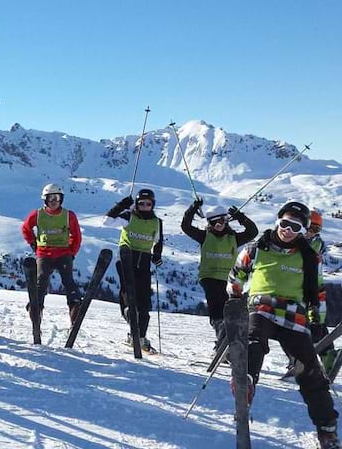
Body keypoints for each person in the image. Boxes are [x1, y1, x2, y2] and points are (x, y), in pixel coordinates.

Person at [227, 201, 339, 448]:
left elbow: (318, 291)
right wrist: (235, 297)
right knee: (254, 339)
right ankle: (245, 381)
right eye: (284, 223)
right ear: (277, 221)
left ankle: (327, 428)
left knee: (309, 370)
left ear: (303, 231)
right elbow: (237, 273)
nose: (288, 230)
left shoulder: (310, 257)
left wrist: (318, 322)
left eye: (296, 227)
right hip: (261, 307)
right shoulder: (256, 248)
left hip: (294, 315)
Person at [181, 201, 258, 352]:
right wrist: (193, 209)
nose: (218, 224)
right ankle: (221, 334)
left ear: (226, 221)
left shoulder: (233, 238)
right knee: (215, 303)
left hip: (228, 279)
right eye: (214, 222)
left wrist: (241, 217)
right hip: (208, 276)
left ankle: (225, 339)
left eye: (221, 221)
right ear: (209, 223)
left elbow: (252, 232)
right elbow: (186, 227)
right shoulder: (204, 236)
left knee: (227, 307)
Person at [106, 188, 163, 352]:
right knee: (129, 292)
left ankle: (140, 336)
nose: (145, 206)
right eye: (141, 203)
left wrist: (157, 255)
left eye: (148, 204)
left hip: (144, 260)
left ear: (153, 205)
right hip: (126, 257)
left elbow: (158, 240)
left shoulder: (156, 222)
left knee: (144, 300)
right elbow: (107, 221)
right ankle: (131, 321)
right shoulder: (129, 216)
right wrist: (122, 205)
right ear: (136, 204)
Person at [283, 209, 338, 377]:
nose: (312, 232)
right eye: (311, 228)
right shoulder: (291, 238)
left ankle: (328, 357)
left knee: (316, 324)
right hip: (290, 290)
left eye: (316, 229)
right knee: (289, 326)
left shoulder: (315, 244)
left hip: (310, 290)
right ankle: (298, 358)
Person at [21, 183, 82, 324]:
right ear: (45, 200)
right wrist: (33, 243)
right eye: (51, 198)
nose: (54, 202)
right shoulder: (38, 214)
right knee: (41, 280)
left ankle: (75, 306)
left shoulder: (68, 215)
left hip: (63, 252)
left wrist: (72, 252)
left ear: (62, 199)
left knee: (68, 280)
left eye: (57, 198)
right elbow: (25, 228)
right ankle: (36, 307)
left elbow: (76, 235)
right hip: (44, 253)